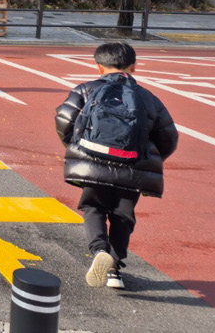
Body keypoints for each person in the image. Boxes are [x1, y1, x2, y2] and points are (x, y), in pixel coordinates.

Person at [54, 42, 177, 289]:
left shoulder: (86, 90)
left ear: (98, 66)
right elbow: (168, 136)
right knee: (123, 215)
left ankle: (99, 250)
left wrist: (78, 148)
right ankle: (114, 270)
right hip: (133, 167)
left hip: (93, 161)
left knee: (93, 207)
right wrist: (151, 159)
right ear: (134, 66)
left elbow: (64, 120)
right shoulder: (148, 98)